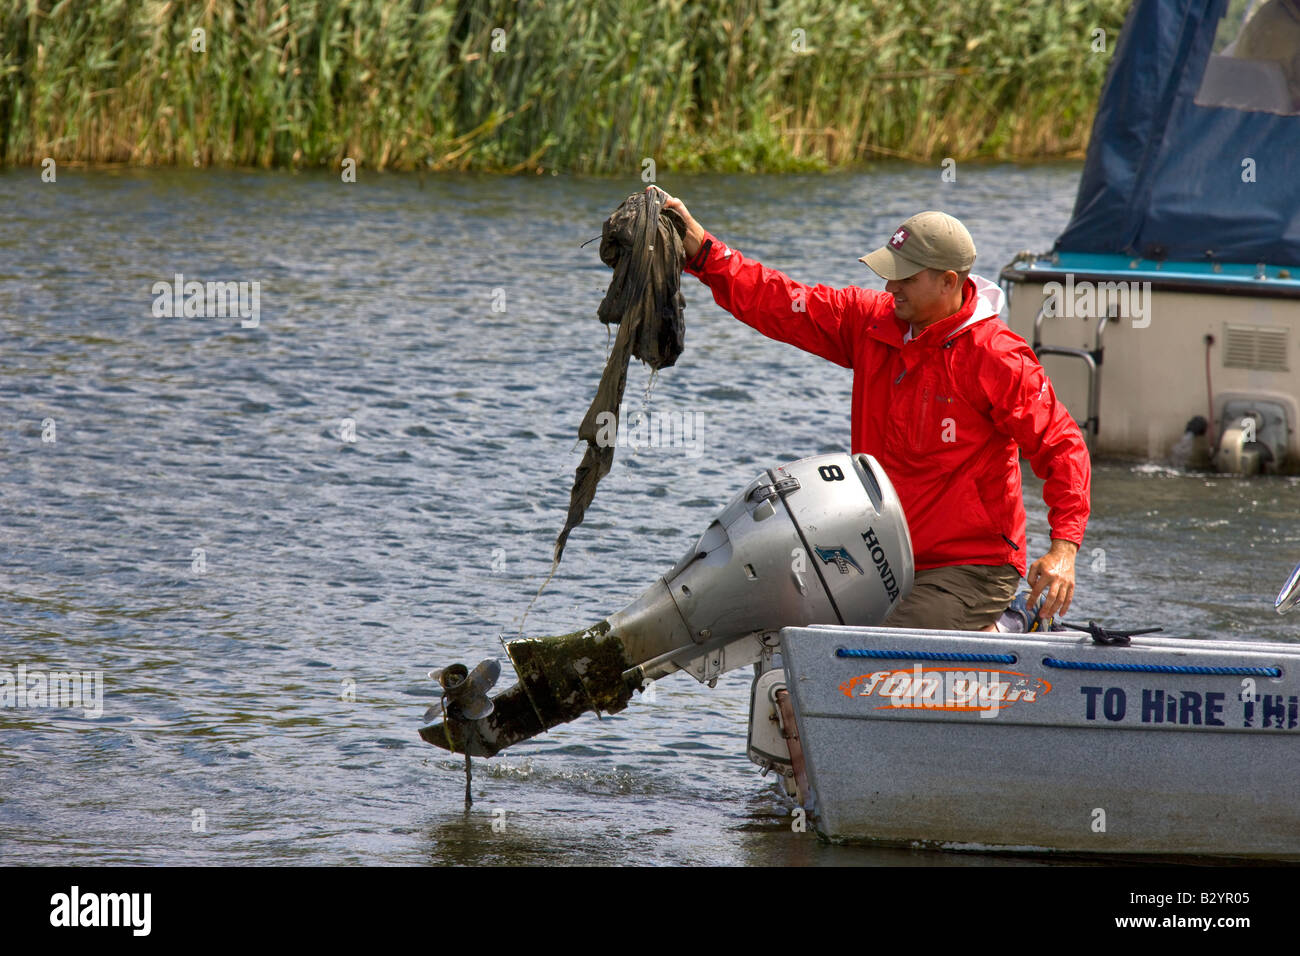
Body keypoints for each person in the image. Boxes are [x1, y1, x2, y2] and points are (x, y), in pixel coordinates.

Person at [656, 192, 1091, 631]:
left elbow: (1063, 448)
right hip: (879, 555)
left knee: (869, 657)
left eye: (904, 277)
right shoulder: (871, 322)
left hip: (971, 566)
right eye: (889, 274)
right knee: (783, 635)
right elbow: (784, 302)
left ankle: (1009, 623)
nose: (889, 287)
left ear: (948, 281)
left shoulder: (997, 357)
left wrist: (1064, 551)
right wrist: (704, 252)